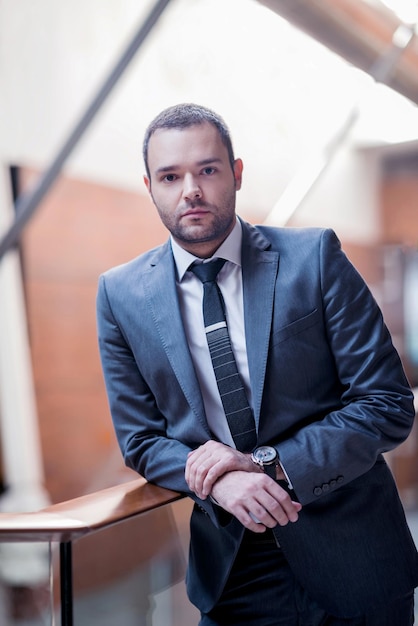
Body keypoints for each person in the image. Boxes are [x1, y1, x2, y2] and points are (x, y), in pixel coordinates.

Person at [96, 103, 418, 625]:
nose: (190, 190)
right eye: (170, 176)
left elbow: (386, 404)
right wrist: (219, 481)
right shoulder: (120, 294)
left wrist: (263, 465)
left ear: (237, 173)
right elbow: (140, 439)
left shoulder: (314, 258)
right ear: (149, 186)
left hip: (353, 557)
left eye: (207, 169)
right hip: (232, 569)